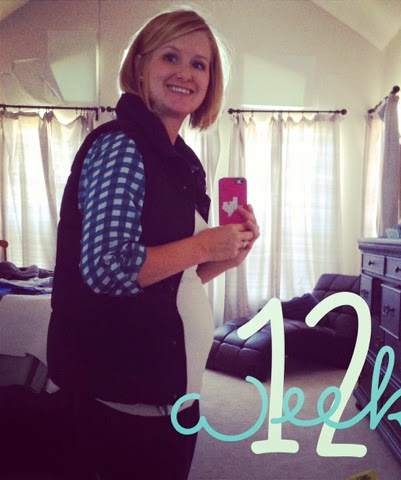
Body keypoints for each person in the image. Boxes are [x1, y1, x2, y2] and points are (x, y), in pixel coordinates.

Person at [46, 8, 259, 479]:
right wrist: (205, 245)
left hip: (172, 395)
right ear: (140, 66)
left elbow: (170, 280)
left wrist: (226, 257)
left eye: (199, 64)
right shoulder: (123, 146)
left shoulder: (178, 161)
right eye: (170, 57)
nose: (186, 73)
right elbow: (108, 267)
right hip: (125, 402)